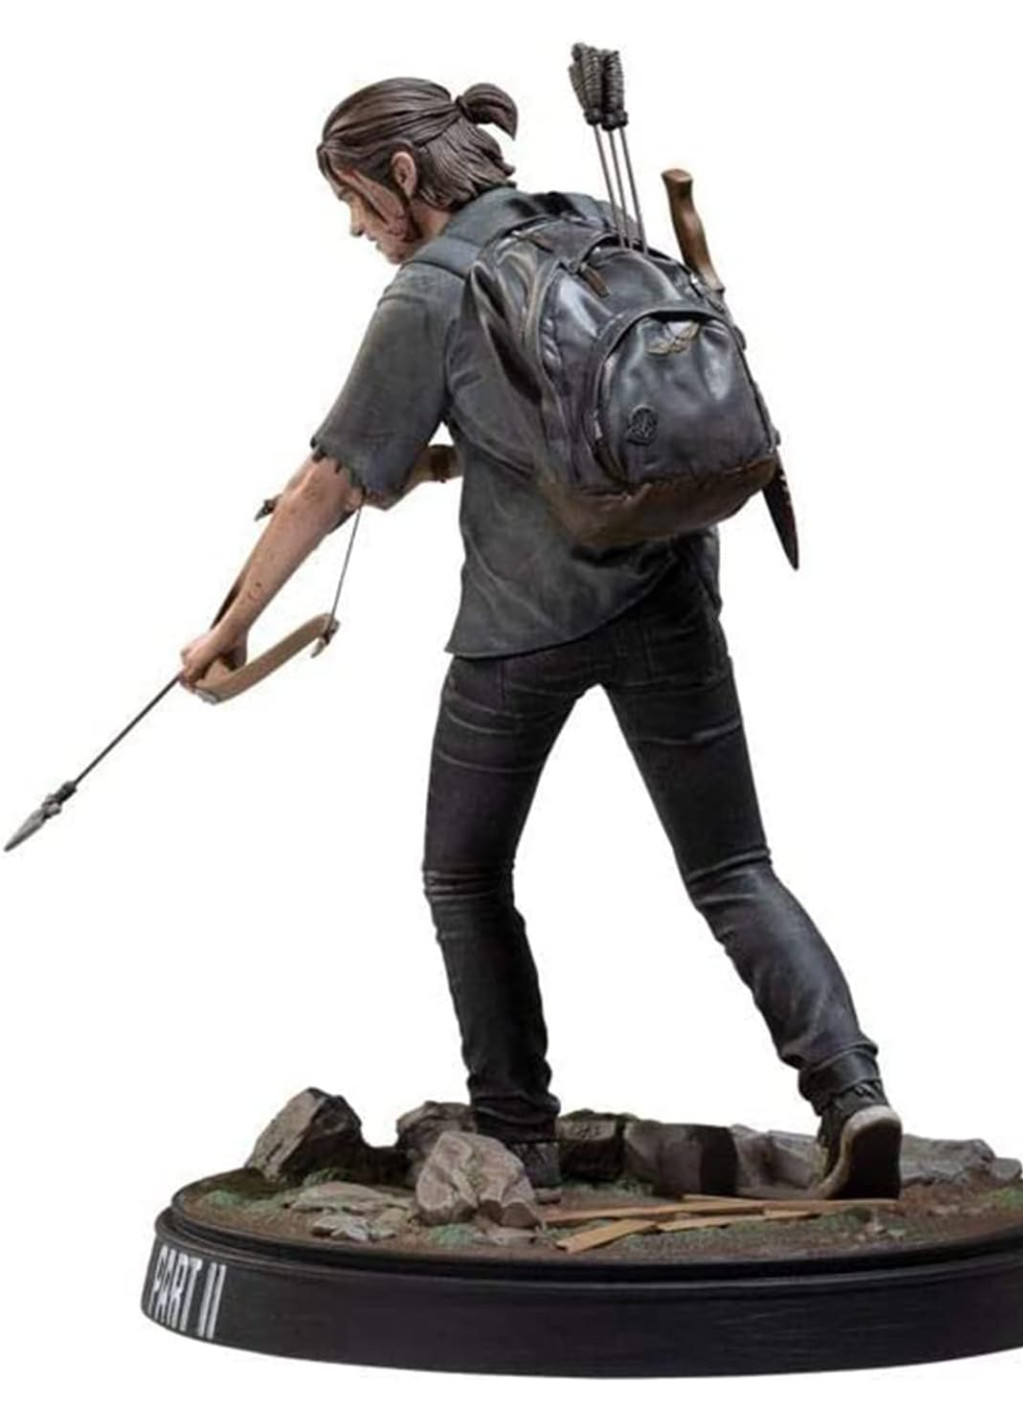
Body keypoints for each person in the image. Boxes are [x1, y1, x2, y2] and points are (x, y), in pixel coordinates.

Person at [179, 76, 902, 1199]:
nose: (355, 226)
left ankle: (516, 1137)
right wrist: (446, 462)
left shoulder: (428, 290)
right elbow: (576, 422)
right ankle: (853, 1095)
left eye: (356, 198)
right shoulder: (591, 222)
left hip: (522, 630)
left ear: (404, 175)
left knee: (464, 875)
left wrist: (227, 629)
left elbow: (327, 484)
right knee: (731, 867)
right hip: (670, 595)